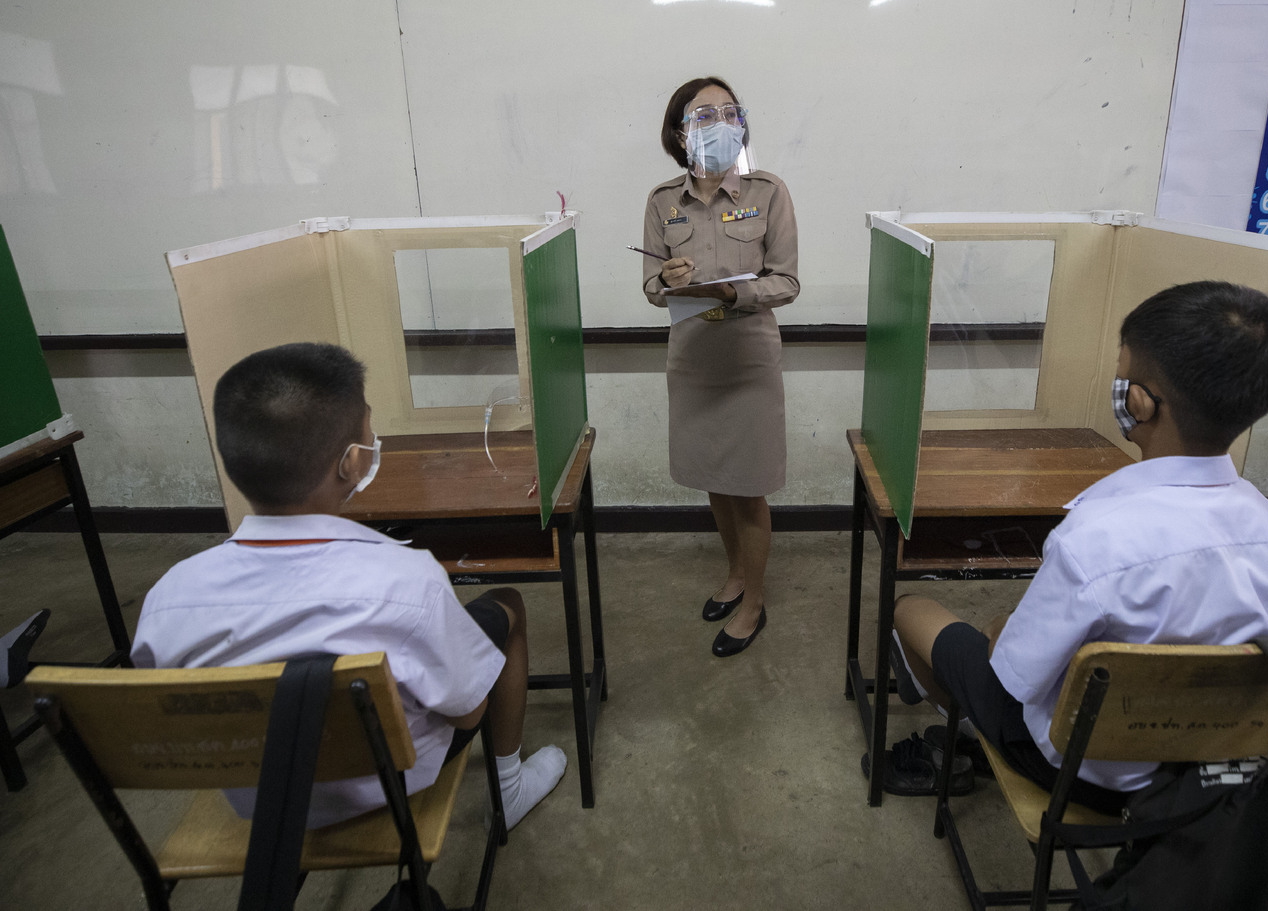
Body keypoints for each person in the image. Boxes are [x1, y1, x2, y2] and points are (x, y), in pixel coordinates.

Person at [884, 281, 1268, 808]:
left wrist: (998, 631)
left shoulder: (1096, 536)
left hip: (1082, 772)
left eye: (1124, 374)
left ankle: (962, 733)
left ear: (1140, 401)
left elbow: (1015, 672)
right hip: (1203, 765)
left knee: (914, 608)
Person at [131, 343, 566, 830]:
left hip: (256, 798)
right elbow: (468, 714)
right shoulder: (408, 579)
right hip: (387, 785)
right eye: (369, 427)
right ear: (353, 462)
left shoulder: (168, 599)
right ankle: (510, 789)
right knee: (506, 606)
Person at [641, 76, 799, 658]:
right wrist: (669, 280)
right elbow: (651, 287)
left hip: (748, 362)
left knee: (750, 487)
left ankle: (753, 603)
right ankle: (734, 575)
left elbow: (786, 280)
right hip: (693, 364)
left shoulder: (768, 191)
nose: (720, 123)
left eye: (729, 112)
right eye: (704, 115)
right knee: (715, 478)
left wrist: (736, 294)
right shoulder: (663, 202)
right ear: (681, 134)